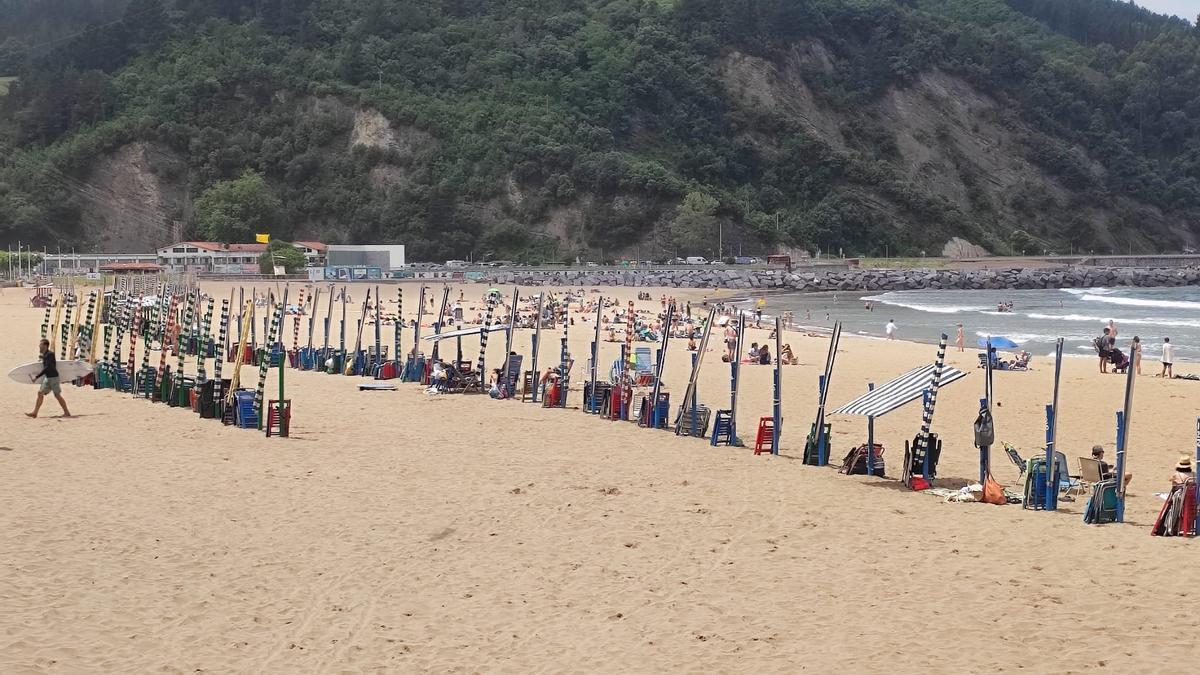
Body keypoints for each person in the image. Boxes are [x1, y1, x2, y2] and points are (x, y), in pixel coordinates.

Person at [26, 338, 71, 418]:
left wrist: (36, 377)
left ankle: (67, 412)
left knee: (57, 395)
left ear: (45, 346)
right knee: (40, 393)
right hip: (48, 378)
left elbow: (48, 367)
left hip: (53, 378)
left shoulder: (50, 354)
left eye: (41, 345)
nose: (39, 346)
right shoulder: (45, 355)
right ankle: (35, 413)